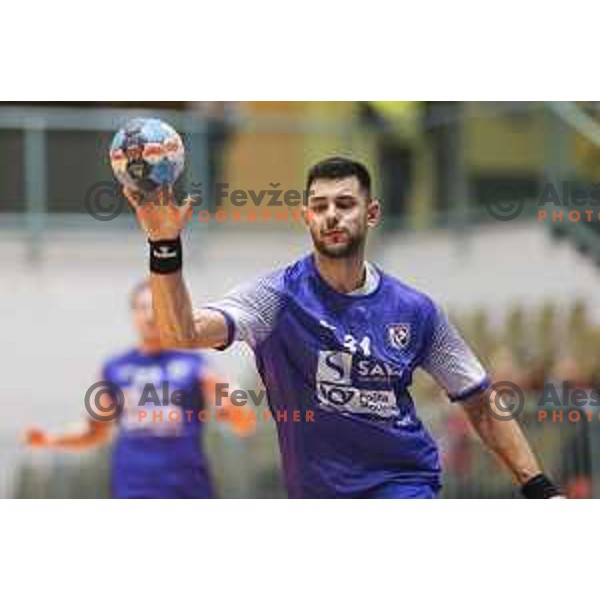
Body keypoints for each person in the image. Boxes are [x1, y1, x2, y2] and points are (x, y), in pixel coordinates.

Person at [125, 156, 562, 499]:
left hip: (402, 484)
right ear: (306, 218)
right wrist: (165, 245)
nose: (332, 215)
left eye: (345, 204)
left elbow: (481, 404)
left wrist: (539, 487)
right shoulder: (274, 297)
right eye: (320, 206)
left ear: (370, 214)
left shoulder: (415, 310)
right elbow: (180, 332)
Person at [24, 280, 254, 499]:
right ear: (133, 314)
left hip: (188, 489)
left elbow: (243, 422)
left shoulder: (194, 364)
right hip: (133, 488)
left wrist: (235, 405)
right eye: (143, 308)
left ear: (169, 312)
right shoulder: (115, 368)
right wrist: (50, 439)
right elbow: (94, 431)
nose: (151, 315)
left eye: (157, 308)